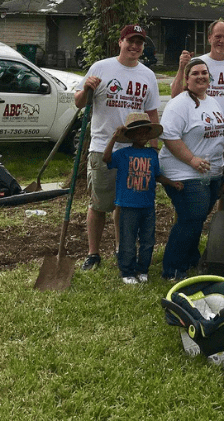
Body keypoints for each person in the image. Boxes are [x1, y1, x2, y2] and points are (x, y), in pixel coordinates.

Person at [74, 24, 160, 272]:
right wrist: (88, 88)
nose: (135, 46)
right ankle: (93, 253)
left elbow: (152, 112)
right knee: (100, 203)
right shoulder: (101, 67)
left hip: (135, 149)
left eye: (139, 43)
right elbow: (80, 103)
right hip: (104, 147)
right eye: (130, 41)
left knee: (125, 204)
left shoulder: (147, 75)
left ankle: (122, 248)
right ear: (120, 42)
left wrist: (153, 149)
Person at [159, 59, 224, 281]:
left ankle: (190, 259)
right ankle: (172, 269)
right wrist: (191, 160)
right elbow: (169, 136)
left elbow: (221, 138)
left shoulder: (212, 102)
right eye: (195, 73)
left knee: (196, 219)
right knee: (191, 218)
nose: (201, 76)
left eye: (204, 73)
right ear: (186, 79)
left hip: (212, 172)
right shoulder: (179, 104)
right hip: (183, 172)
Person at [102, 113, 182, 284]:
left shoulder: (152, 155)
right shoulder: (123, 154)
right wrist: (114, 138)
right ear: (130, 135)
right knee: (128, 240)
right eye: (138, 133)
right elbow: (106, 159)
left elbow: (157, 176)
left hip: (147, 205)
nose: (142, 136)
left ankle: (142, 269)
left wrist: (172, 183)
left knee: (148, 240)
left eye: (145, 133)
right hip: (127, 204)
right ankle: (127, 272)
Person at [171, 19, 224, 126]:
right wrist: (182, 68)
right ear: (209, 38)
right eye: (218, 36)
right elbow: (175, 96)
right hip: (199, 134)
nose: (222, 41)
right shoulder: (196, 64)